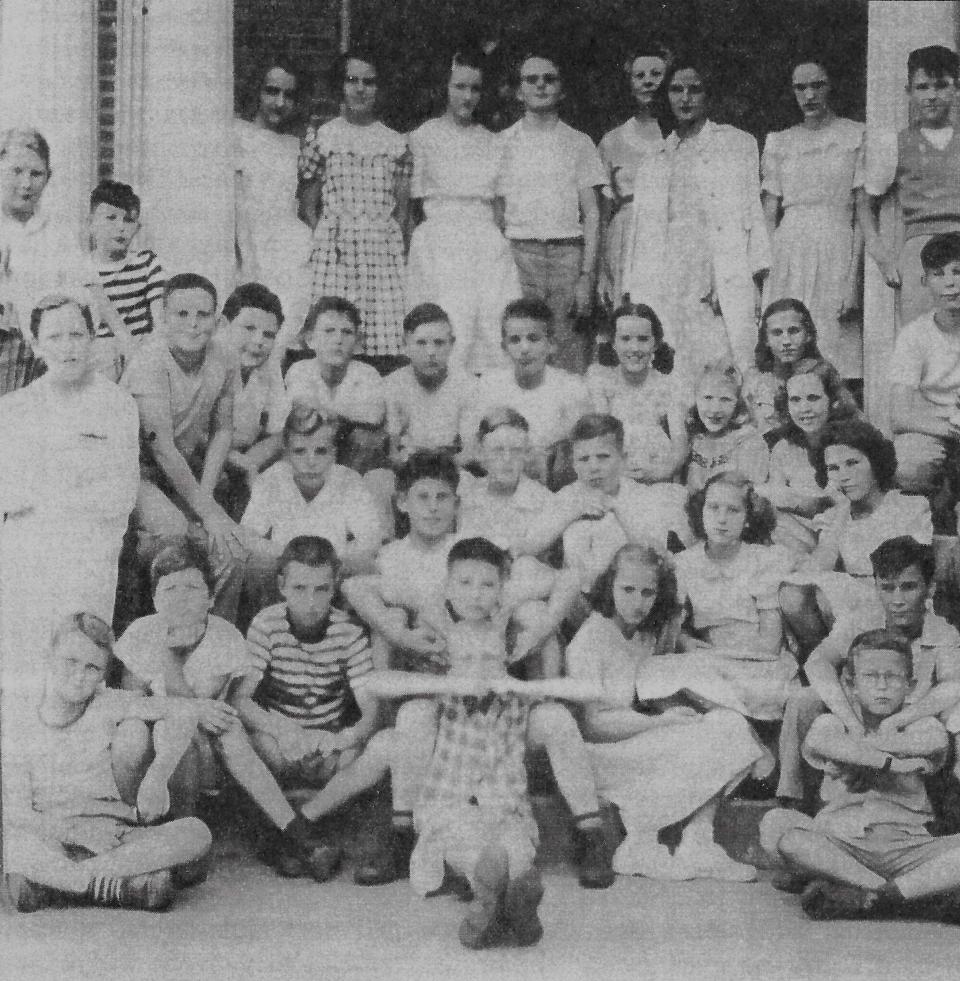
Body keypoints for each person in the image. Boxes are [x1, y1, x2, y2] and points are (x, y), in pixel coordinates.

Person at [305, 537, 616, 902]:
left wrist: (539, 631)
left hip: (504, 719)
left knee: (558, 718)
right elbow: (355, 586)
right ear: (449, 584)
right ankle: (403, 829)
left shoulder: (504, 603)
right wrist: (402, 636)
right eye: (465, 584)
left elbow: (570, 576)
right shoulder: (430, 601)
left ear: (501, 586)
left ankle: (590, 831)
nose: (476, 594)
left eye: (487, 585)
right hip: (448, 719)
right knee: (413, 712)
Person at [116, 539, 342, 881]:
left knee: (225, 729)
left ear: (210, 598)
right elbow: (130, 702)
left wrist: (187, 703)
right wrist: (167, 653)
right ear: (154, 599)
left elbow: (203, 704)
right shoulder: (140, 633)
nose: (180, 597)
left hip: (203, 748)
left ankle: (293, 833)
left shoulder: (223, 636)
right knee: (150, 728)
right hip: (152, 741)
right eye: (170, 589)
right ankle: (158, 835)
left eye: (192, 587)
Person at [567, 544, 769, 881]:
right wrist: (659, 723)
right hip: (601, 755)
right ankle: (640, 842)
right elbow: (592, 724)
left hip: (641, 740)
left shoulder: (646, 634)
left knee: (729, 723)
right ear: (609, 587)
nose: (637, 601)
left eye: (648, 592)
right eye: (627, 590)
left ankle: (698, 840)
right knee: (720, 733)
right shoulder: (589, 640)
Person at [2, 612, 212, 913]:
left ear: (103, 674)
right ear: (48, 657)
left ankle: (59, 884)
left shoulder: (107, 702)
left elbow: (184, 711)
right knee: (17, 845)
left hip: (115, 835)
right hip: (56, 833)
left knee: (196, 832)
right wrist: (77, 835)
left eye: (92, 668)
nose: (79, 676)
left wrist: (157, 775)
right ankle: (113, 885)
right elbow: (18, 812)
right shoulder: (20, 718)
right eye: (70, 662)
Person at [761, 630, 960, 922]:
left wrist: (858, 754)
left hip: (909, 847)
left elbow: (933, 743)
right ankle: (907, 897)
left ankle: (869, 895)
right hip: (842, 842)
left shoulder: (922, 724)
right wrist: (891, 764)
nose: (882, 687)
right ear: (851, 685)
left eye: (892, 678)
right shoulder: (832, 722)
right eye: (870, 677)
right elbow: (820, 742)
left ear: (910, 685)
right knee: (779, 828)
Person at [0, 294, 139, 695]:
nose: (68, 346)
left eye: (77, 334)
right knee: (22, 669)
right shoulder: (15, 409)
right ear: (37, 344)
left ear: (93, 338)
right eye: (55, 337)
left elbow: (120, 496)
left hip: (89, 553)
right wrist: (70, 481)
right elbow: (8, 494)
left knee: (77, 669)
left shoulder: (117, 405)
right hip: (27, 553)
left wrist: (47, 484)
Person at [777, 536, 960, 813]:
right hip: (860, 713)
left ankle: (944, 801)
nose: (897, 600)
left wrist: (901, 719)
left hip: (910, 720)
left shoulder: (942, 632)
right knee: (804, 698)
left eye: (908, 588)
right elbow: (818, 662)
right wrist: (851, 721)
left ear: (930, 588)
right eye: (887, 588)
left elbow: (952, 685)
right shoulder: (862, 619)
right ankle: (792, 798)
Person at [621, 58, 770, 378]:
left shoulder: (736, 143)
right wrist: (635, 288)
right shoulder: (654, 159)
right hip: (668, 267)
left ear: (708, 95)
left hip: (720, 265)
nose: (685, 98)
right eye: (676, 90)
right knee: (672, 357)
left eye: (694, 89)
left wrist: (755, 278)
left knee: (723, 356)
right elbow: (641, 235)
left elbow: (752, 213)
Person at [241, 536, 380, 859]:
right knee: (254, 743)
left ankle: (302, 829)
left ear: (334, 588)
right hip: (281, 738)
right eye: (300, 588)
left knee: (359, 754)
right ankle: (283, 831)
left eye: (321, 589)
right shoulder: (267, 624)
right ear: (282, 586)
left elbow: (370, 710)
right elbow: (241, 699)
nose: (311, 601)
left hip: (327, 739)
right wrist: (284, 730)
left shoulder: (348, 631)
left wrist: (343, 738)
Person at [123, 272, 249, 622]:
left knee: (230, 547)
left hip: (186, 468)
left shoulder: (224, 354)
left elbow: (223, 429)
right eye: (181, 315)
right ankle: (161, 638)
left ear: (217, 318)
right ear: (163, 318)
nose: (193, 325)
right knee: (176, 532)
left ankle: (213, 637)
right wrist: (207, 512)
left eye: (203, 315)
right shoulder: (150, 361)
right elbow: (160, 447)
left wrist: (205, 500)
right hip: (138, 472)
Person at [634, 471, 796, 722]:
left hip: (760, 667)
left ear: (748, 518)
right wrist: (684, 641)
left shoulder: (765, 559)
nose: (722, 519)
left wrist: (720, 656)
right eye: (713, 508)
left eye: (733, 511)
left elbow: (771, 645)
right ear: (701, 512)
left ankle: (736, 723)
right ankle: (728, 723)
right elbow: (671, 630)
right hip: (711, 662)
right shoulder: (684, 564)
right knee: (651, 671)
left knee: (700, 677)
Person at [405, 50, 521, 376]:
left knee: (491, 322)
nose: (467, 96)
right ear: (445, 87)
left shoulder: (493, 142)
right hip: (440, 241)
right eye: (459, 86)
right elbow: (413, 205)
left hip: (484, 242)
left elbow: (500, 206)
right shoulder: (422, 137)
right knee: (448, 322)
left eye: (475, 89)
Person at [298, 48, 411, 374]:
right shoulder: (324, 136)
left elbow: (402, 212)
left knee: (381, 334)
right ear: (340, 85)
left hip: (380, 249)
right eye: (352, 80)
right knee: (334, 327)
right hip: (336, 249)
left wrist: (390, 244)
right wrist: (330, 236)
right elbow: (308, 204)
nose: (360, 89)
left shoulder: (395, 142)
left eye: (369, 81)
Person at [779, 419, 933, 653]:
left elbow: (913, 572)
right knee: (793, 593)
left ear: (875, 463)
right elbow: (817, 571)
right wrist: (842, 507)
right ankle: (822, 663)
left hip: (895, 602)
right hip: (848, 610)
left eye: (852, 463)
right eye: (834, 468)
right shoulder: (835, 518)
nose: (844, 476)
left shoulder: (909, 506)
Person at [497, 48, 605, 373]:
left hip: (566, 256)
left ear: (562, 88)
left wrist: (586, 277)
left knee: (568, 346)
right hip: (519, 255)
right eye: (531, 79)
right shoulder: (501, 143)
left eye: (549, 78)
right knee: (520, 344)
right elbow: (496, 212)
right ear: (518, 91)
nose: (541, 85)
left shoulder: (579, 142)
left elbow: (593, 214)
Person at [761, 58, 866, 380]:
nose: (809, 95)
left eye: (817, 85)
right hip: (789, 248)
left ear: (830, 86)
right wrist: (765, 280)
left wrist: (854, 279)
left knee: (834, 342)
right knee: (788, 339)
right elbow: (768, 214)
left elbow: (862, 211)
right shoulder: (780, 142)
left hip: (837, 243)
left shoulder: (855, 135)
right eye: (800, 87)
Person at [241, 404, 382, 613]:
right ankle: (273, 624)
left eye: (321, 451)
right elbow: (248, 535)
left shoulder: (348, 480)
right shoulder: (273, 478)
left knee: (366, 565)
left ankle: (343, 629)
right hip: (287, 570)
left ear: (334, 453)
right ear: (286, 454)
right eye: (300, 451)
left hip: (333, 569)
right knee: (258, 564)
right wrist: (291, 558)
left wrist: (327, 560)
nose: (311, 461)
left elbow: (371, 539)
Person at [0, 129, 128, 359]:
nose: (26, 183)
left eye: (36, 174)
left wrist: (126, 341)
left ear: (48, 177)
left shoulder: (57, 233)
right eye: (16, 171)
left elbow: (90, 288)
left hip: (44, 356)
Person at [861, 45, 960, 329]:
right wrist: (882, 257)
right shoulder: (896, 144)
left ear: (956, 88)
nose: (931, 96)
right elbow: (866, 204)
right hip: (920, 253)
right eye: (922, 87)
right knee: (922, 338)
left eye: (941, 86)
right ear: (909, 91)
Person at [550, 413, 691, 600]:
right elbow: (531, 544)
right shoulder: (567, 497)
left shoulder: (642, 497)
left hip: (633, 598)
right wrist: (572, 513)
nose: (593, 467)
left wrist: (618, 510)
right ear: (574, 463)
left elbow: (655, 558)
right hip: (578, 600)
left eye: (603, 457)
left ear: (622, 458)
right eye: (583, 459)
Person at [234, 60, 312, 349]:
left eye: (289, 95)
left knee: (286, 329)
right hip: (251, 243)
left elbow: (302, 205)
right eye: (272, 91)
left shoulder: (295, 145)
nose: (280, 103)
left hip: (288, 248)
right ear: (256, 91)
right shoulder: (237, 134)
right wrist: (246, 259)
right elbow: (238, 202)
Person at [474, 297, 592, 488]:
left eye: (534, 338)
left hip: (553, 487)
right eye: (515, 340)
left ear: (551, 344)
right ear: (504, 347)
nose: (525, 349)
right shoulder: (489, 385)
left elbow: (583, 451)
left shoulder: (572, 388)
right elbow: (477, 450)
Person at [888, 233, 960, 534]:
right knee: (905, 466)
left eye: (958, 272)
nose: (950, 283)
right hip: (934, 427)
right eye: (938, 274)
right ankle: (926, 536)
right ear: (925, 281)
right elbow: (899, 416)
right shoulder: (915, 335)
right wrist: (949, 428)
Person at [763, 358, 859, 556]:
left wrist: (801, 503)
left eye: (813, 398)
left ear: (833, 401)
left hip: (843, 534)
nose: (804, 408)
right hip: (798, 537)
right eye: (796, 400)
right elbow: (776, 499)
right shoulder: (783, 448)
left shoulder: (850, 443)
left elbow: (851, 506)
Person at [597, 43, 669, 307]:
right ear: (629, 83)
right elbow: (603, 214)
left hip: (669, 234)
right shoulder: (613, 140)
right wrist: (601, 273)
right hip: (626, 239)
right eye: (639, 76)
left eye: (656, 74)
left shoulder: (679, 136)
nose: (648, 82)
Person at [283, 295, 388, 473]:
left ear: (358, 342)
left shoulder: (367, 373)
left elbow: (373, 415)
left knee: (364, 438)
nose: (338, 340)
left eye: (347, 332)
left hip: (351, 451)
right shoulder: (300, 369)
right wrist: (345, 413)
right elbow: (303, 410)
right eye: (329, 331)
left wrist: (327, 411)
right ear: (310, 339)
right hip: (312, 444)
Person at [585, 300, 686, 484]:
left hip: (657, 474)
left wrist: (660, 472)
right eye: (625, 339)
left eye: (643, 339)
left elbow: (680, 447)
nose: (634, 348)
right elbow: (600, 437)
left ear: (655, 343)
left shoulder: (668, 385)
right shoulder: (602, 380)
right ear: (613, 342)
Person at [219, 282, 288, 518]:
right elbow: (195, 438)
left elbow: (279, 429)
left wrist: (250, 461)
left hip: (247, 454)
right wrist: (240, 462)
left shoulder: (269, 366)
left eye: (269, 335)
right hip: (206, 458)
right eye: (249, 328)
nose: (259, 341)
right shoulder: (210, 362)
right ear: (225, 325)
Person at [384, 303, 480, 464]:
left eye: (439, 342)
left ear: (452, 343)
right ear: (405, 344)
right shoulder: (394, 383)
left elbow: (468, 451)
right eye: (421, 343)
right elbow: (393, 451)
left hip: (451, 465)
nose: (431, 352)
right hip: (408, 464)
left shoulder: (468, 385)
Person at [745, 297, 855, 432]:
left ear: (808, 335)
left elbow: (847, 415)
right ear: (766, 339)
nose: (786, 341)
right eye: (777, 333)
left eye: (793, 331)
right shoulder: (755, 378)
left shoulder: (822, 373)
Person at [90, 180, 164, 346]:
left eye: (128, 220)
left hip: (140, 355)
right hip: (98, 358)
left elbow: (160, 325)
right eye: (111, 218)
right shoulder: (81, 270)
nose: (121, 227)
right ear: (91, 223)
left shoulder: (147, 263)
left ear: (138, 227)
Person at [685, 359, 769, 493]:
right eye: (707, 398)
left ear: (737, 403)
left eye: (725, 399)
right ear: (696, 398)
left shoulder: (747, 441)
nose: (715, 409)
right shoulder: (693, 438)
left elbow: (748, 494)